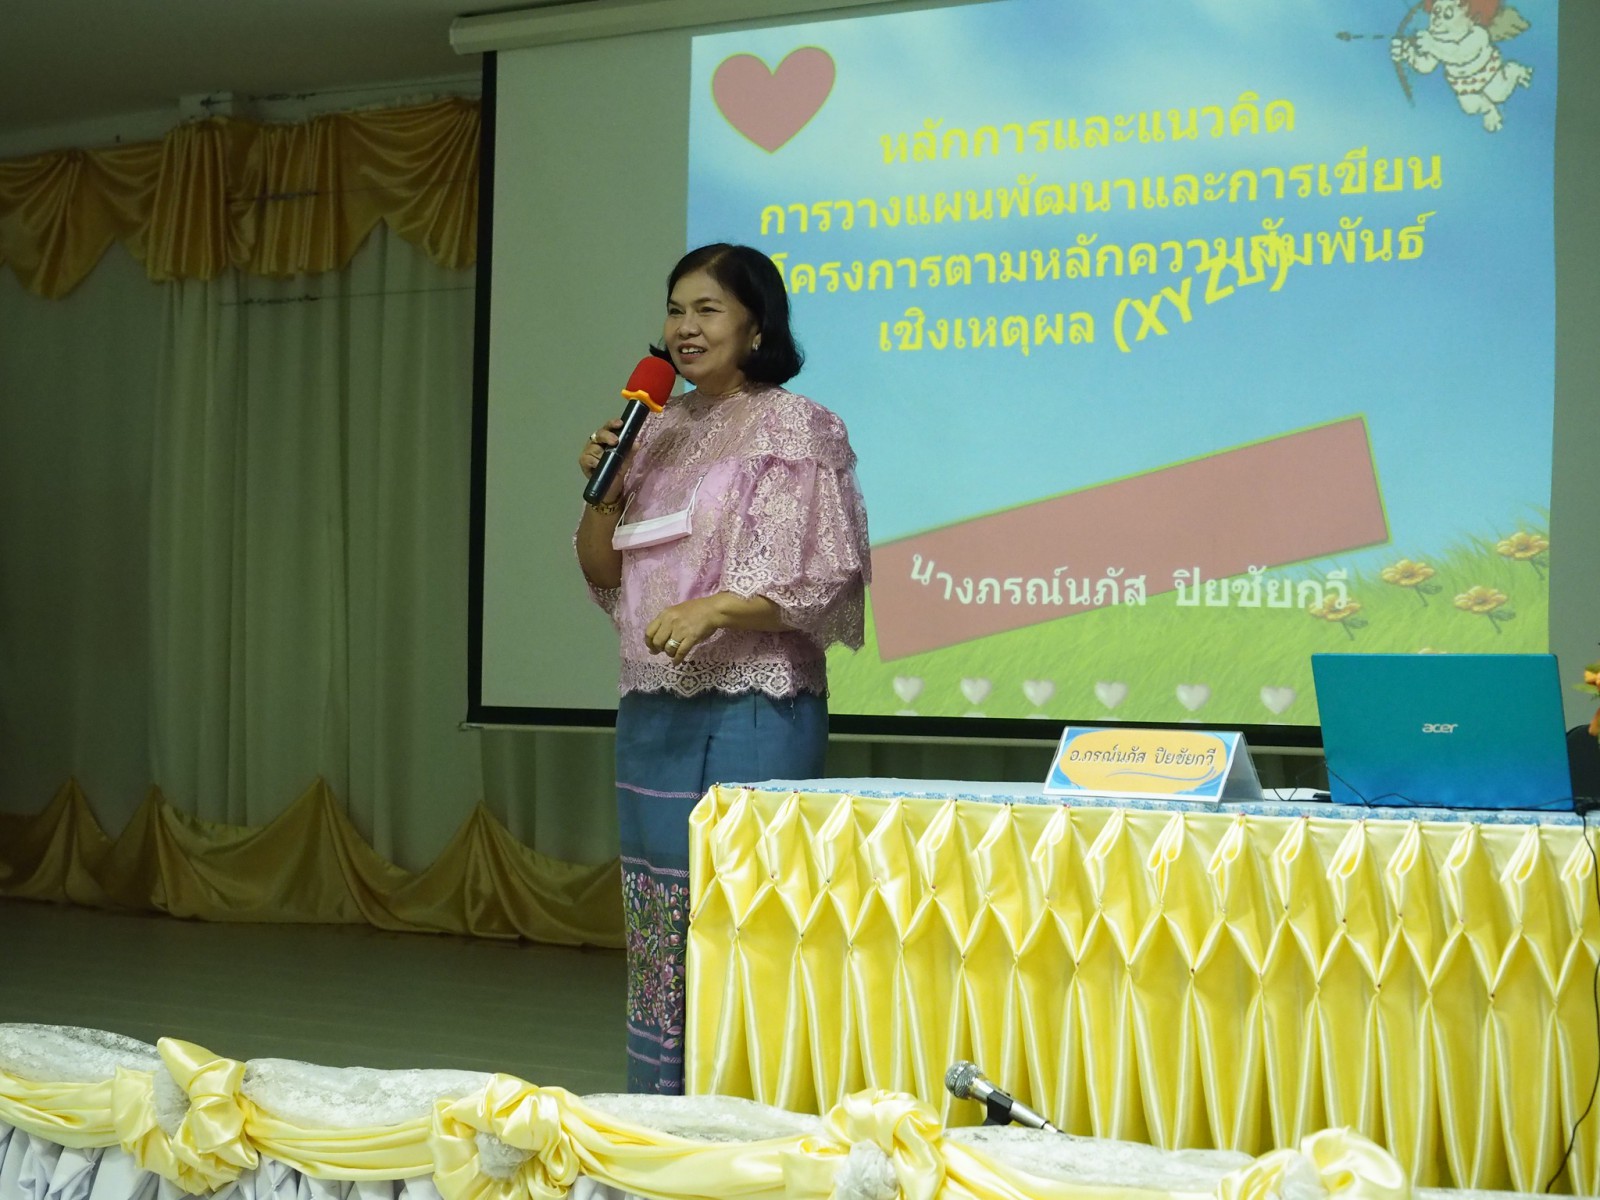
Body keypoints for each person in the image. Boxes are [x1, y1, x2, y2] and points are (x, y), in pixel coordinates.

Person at [574, 243, 870, 1094]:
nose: (685, 327)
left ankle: (746, 1100)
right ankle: (659, 1102)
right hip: (654, 707)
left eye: (707, 309)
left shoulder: (797, 426)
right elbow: (603, 571)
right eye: (675, 310)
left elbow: (821, 573)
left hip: (755, 704)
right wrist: (605, 489)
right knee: (660, 911)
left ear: (756, 325)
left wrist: (715, 609)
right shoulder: (655, 431)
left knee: (746, 905)